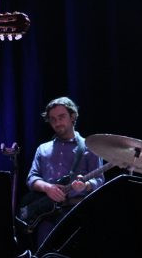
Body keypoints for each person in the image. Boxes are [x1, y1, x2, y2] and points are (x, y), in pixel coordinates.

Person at [24, 96, 105, 250]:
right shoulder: (43, 148)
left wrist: (86, 185)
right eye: (53, 119)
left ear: (72, 116)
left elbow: (100, 181)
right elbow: (31, 178)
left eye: (61, 117)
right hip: (46, 216)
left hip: (77, 213)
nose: (57, 123)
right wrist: (48, 188)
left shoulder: (90, 147)